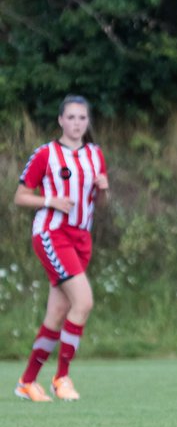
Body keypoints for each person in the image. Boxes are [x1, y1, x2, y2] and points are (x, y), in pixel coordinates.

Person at [14, 95, 109, 402]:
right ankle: (62, 378)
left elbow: (100, 203)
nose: (77, 123)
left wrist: (104, 191)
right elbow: (20, 196)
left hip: (82, 238)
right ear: (60, 120)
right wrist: (49, 201)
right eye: (71, 117)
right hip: (52, 234)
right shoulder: (46, 154)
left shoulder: (95, 154)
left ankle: (27, 382)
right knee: (84, 301)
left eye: (82, 118)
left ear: (87, 122)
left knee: (57, 313)